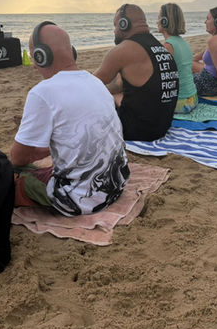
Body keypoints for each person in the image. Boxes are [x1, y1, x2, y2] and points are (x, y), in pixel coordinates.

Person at [11, 22, 130, 216]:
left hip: (79, 199)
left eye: (33, 56)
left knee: (11, 175)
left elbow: (18, 157)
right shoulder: (96, 83)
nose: (33, 64)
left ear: (41, 56)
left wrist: (39, 150)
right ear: (71, 51)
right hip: (116, 186)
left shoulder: (41, 93)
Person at [94, 4, 179, 141]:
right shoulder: (160, 47)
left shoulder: (123, 50)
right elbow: (118, 86)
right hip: (162, 127)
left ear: (124, 24)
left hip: (136, 131)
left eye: (115, 25)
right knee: (116, 94)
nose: (114, 30)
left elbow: (91, 84)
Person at [157, 3, 198, 113]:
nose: (157, 22)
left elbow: (161, 78)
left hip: (181, 103)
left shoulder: (168, 46)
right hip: (193, 98)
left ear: (165, 21)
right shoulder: (184, 43)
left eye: (159, 18)